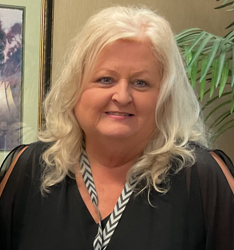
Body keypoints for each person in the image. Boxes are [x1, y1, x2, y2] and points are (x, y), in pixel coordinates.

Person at [0, 6, 233, 250]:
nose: (122, 96)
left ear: (165, 97)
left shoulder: (200, 178)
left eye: (141, 83)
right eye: (105, 79)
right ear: (75, 88)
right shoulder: (29, 167)